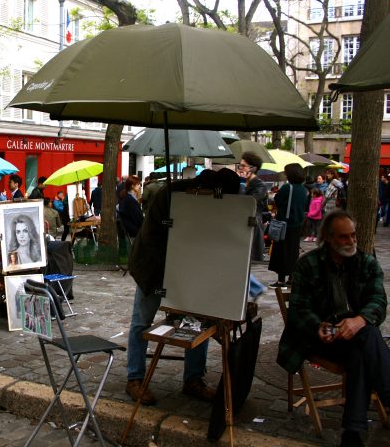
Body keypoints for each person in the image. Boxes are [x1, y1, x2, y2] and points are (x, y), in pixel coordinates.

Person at [277, 210, 390, 447]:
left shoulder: (366, 262)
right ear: (328, 237)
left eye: (353, 236)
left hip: (356, 336)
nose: (351, 242)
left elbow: (378, 302)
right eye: (344, 237)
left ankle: (352, 434)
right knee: (368, 339)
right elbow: (299, 310)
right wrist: (319, 326)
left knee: (362, 346)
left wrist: (359, 320)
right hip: (319, 338)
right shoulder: (308, 264)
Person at [125, 169, 238, 406]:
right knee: (142, 321)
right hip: (153, 267)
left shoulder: (209, 200)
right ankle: (134, 378)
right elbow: (157, 240)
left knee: (198, 321)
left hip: (186, 271)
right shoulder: (173, 194)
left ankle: (193, 379)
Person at [269, 163, 309, 288]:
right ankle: (292, 278)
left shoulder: (287, 187)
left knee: (281, 251)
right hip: (297, 224)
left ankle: (281, 280)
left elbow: (278, 200)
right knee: (293, 251)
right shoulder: (304, 189)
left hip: (284, 223)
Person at [237, 152, 269, 299]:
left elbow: (249, 203)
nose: (240, 168)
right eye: (240, 165)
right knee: (239, 260)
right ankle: (254, 288)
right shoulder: (243, 183)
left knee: (242, 259)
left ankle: (255, 288)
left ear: (253, 168)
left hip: (252, 225)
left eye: (243, 165)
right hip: (241, 224)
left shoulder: (260, 185)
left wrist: (242, 186)